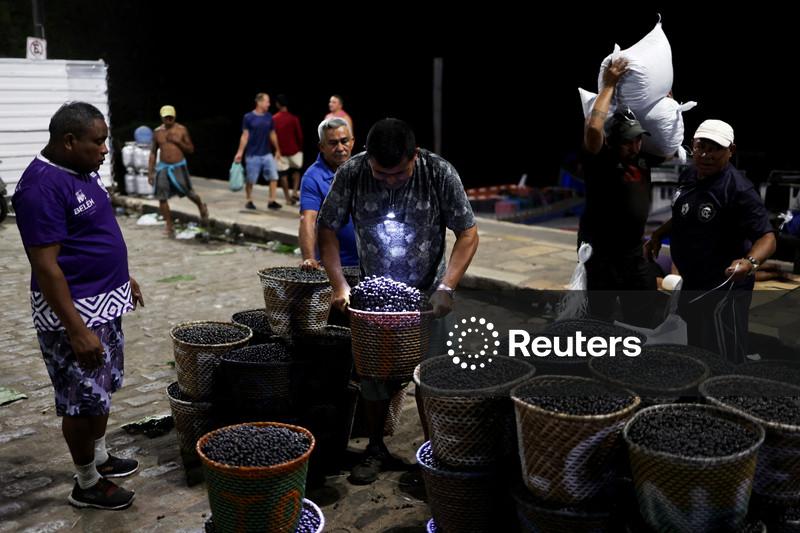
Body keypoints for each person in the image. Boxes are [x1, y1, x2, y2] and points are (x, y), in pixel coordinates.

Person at [318, 118, 479, 484]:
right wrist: (339, 284)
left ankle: (436, 453)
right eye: (381, 174)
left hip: (427, 298)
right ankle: (376, 447)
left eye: (399, 174)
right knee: (373, 378)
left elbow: (468, 233)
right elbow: (326, 226)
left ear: (414, 157)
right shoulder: (353, 172)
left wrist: (447, 287)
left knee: (431, 380)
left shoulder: (438, 172)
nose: (389, 181)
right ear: (368, 159)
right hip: (374, 299)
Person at [12, 102, 145, 510]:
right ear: (69, 142)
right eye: (99, 141)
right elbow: (46, 266)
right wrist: (76, 329)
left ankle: (100, 456)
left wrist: (124, 277)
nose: (106, 149)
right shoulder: (39, 188)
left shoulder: (84, 170)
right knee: (80, 398)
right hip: (75, 314)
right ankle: (86, 482)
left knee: (101, 391)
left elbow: (97, 230)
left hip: (105, 301)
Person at [645, 120, 776, 363]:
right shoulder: (689, 175)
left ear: (731, 151)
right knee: (696, 347)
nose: (706, 154)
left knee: (725, 353)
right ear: (692, 146)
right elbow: (683, 213)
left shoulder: (739, 189)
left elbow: (767, 237)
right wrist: (658, 234)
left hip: (724, 287)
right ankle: (696, 395)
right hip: (693, 281)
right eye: (700, 146)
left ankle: (726, 394)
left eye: (714, 148)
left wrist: (750, 262)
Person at [579, 57, 662, 327]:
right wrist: (610, 84)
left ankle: (636, 364)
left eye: (639, 139)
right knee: (599, 319)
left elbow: (669, 142)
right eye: (629, 141)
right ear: (614, 141)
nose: (635, 146)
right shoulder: (600, 159)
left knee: (641, 318)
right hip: (602, 255)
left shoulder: (641, 158)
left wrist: (663, 101)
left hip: (634, 253)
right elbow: (594, 126)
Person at [298, 117, 358, 271]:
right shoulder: (312, 177)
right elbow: (308, 219)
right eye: (332, 143)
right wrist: (309, 258)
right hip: (335, 268)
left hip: (369, 264)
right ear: (322, 147)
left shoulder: (364, 169)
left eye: (344, 141)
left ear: (352, 141)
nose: (340, 148)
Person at [147, 105, 208, 236]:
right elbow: (153, 152)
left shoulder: (181, 130)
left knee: (189, 192)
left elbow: (191, 149)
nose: (168, 119)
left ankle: (201, 206)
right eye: (166, 117)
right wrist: (150, 172)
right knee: (161, 196)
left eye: (171, 117)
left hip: (178, 166)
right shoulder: (158, 132)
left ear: (174, 117)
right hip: (163, 166)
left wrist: (178, 142)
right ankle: (169, 225)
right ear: (162, 117)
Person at [234, 93, 283, 210]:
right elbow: (245, 136)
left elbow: (272, 134)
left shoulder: (269, 117)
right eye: (267, 101)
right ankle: (249, 200)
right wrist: (240, 152)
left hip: (267, 153)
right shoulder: (248, 117)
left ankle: (272, 201)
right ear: (259, 102)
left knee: (274, 177)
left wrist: (277, 150)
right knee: (251, 179)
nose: (269, 104)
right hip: (252, 154)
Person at [273, 94, 303, 206]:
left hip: (280, 151)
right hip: (294, 150)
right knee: (296, 171)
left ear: (278, 104)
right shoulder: (293, 118)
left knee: (283, 174)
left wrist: (275, 150)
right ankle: (295, 191)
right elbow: (299, 136)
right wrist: (299, 148)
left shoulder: (274, 119)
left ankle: (287, 198)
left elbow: (271, 136)